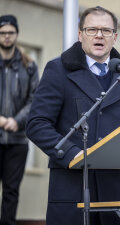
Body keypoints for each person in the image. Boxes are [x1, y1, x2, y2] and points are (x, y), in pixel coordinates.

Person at [26, 6, 120, 225]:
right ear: (80, 34)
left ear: (115, 36)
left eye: (106, 30)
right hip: (72, 185)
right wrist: (72, 154)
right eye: (92, 29)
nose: (99, 35)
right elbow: (37, 124)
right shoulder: (58, 70)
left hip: (114, 188)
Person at [0, 14, 39, 225]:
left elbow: (35, 99)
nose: (7, 37)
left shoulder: (29, 65)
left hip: (17, 139)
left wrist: (16, 120)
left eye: (10, 33)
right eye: (3, 33)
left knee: (11, 191)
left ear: (16, 34)